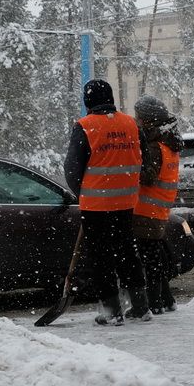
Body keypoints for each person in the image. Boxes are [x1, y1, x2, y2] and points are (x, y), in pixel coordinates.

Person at [62, 79, 152, 325]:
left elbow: (72, 169)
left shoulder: (85, 126)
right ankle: (140, 305)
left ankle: (111, 311)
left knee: (101, 257)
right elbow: (143, 159)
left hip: (96, 207)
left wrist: (84, 192)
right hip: (125, 202)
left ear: (87, 100)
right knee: (127, 252)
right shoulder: (131, 124)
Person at [131, 96, 184, 314]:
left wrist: (131, 169)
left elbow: (149, 177)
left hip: (145, 210)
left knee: (149, 259)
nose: (136, 121)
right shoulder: (168, 142)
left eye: (138, 117)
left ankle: (154, 303)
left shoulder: (154, 145)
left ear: (148, 120)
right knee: (156, 256)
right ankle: (166, 300)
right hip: (159, 208)